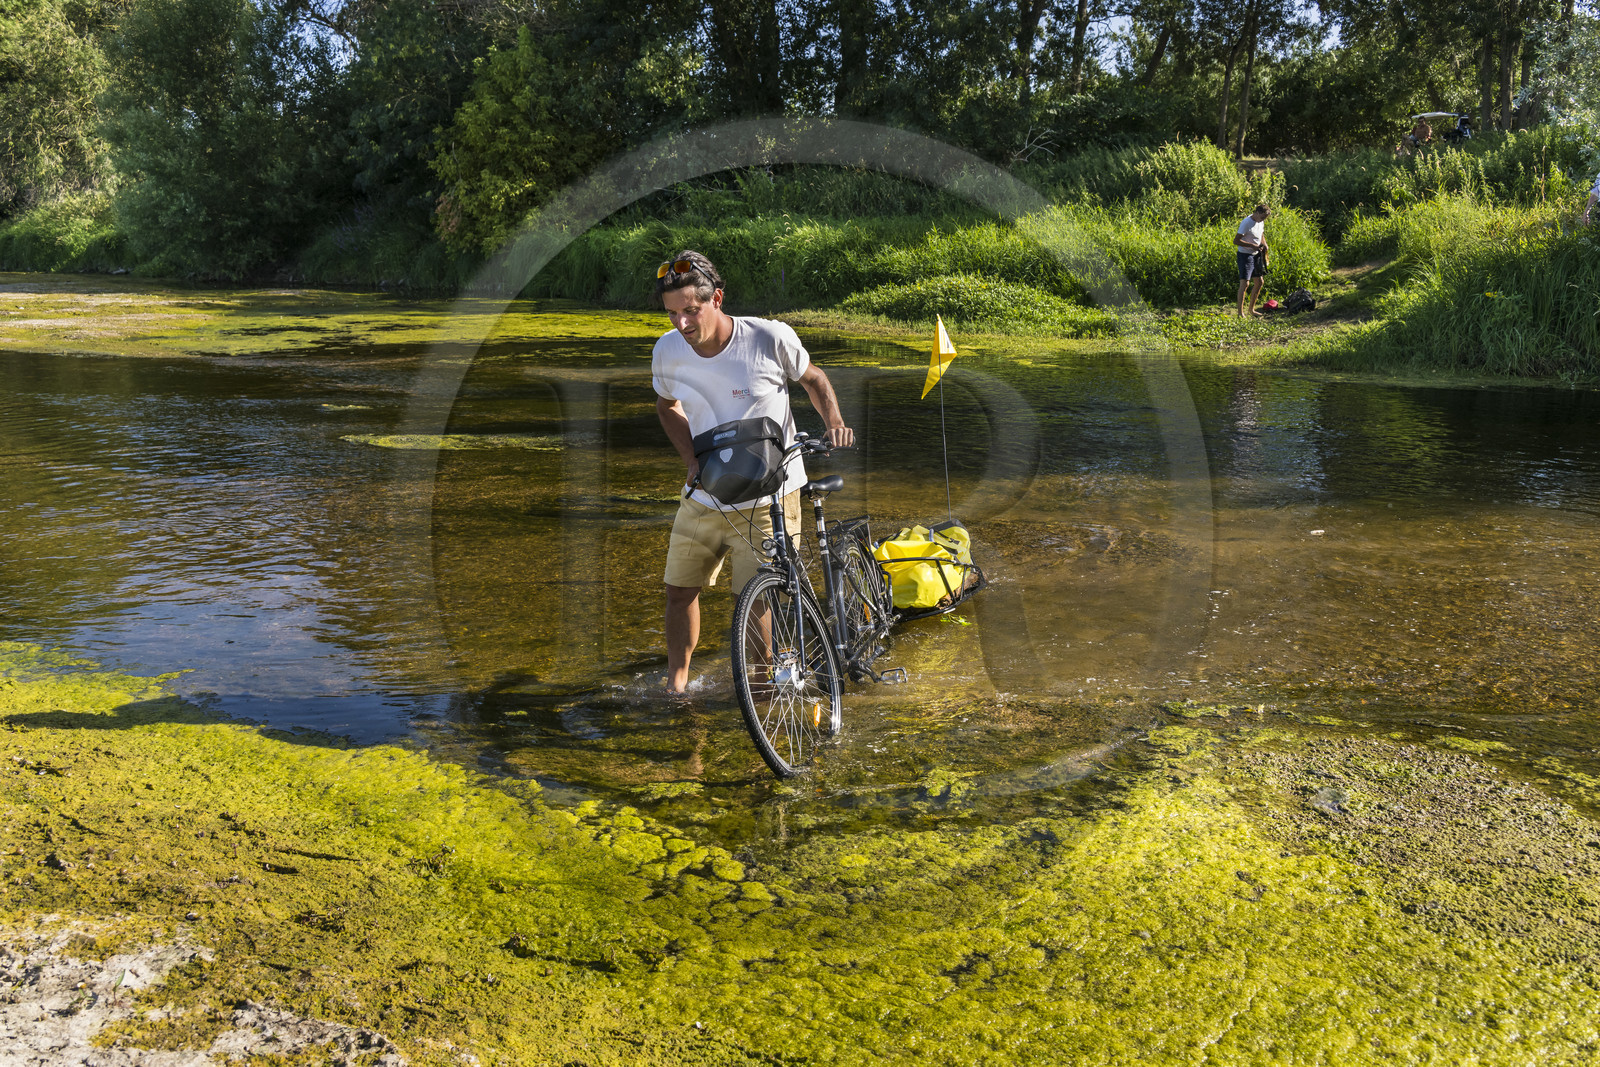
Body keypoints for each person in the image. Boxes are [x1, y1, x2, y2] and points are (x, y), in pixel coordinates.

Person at [651, 250, 853, 695]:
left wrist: (834, 423)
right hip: (706, 493)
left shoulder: (767, 338)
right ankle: (676, 688)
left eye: (690, 311)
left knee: (755, 596)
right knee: (678, 591)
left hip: (768, 497)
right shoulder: (667, 350)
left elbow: (814, 379)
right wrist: (690, 459)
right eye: (671, 314)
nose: (681, 325)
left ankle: (761, 690)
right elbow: (667, 406)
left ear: (717, 298)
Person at [1234, 204, 1271, 318]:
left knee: (1259, 282)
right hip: (1245, 255)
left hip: (1256, 255)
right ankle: (1240, 313)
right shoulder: (1246, 223)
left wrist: (1264, 244)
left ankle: (1251, 310)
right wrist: (1252, 245)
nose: (1264, 220)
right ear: (1258, 213)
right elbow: (1236, 241)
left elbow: (1261, 234)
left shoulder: (1260, 222)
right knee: (1245, 284)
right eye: (1263, 217)